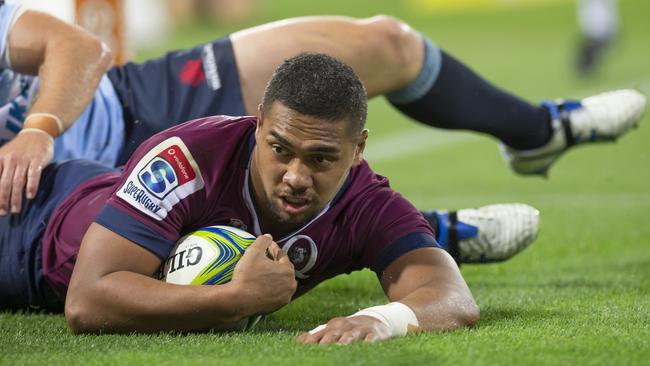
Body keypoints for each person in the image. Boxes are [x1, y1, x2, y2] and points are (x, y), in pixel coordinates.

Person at [0, 3, 546, 263]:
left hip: (124, 104)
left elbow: (81, 48)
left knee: (387, 43)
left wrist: (38, 128)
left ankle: (539, 129)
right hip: (53, 200)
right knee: (205, 256)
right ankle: (419, 234)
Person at [2, 53, 483, 345]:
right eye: (279, 149)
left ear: (357, 150)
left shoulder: (365, 203)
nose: (295, 177)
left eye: (320, 159)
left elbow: (452, 297)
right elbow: (87, 303)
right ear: (258, 123)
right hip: (29, 225)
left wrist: (383, 320)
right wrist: (235, 299)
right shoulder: (189, 157)